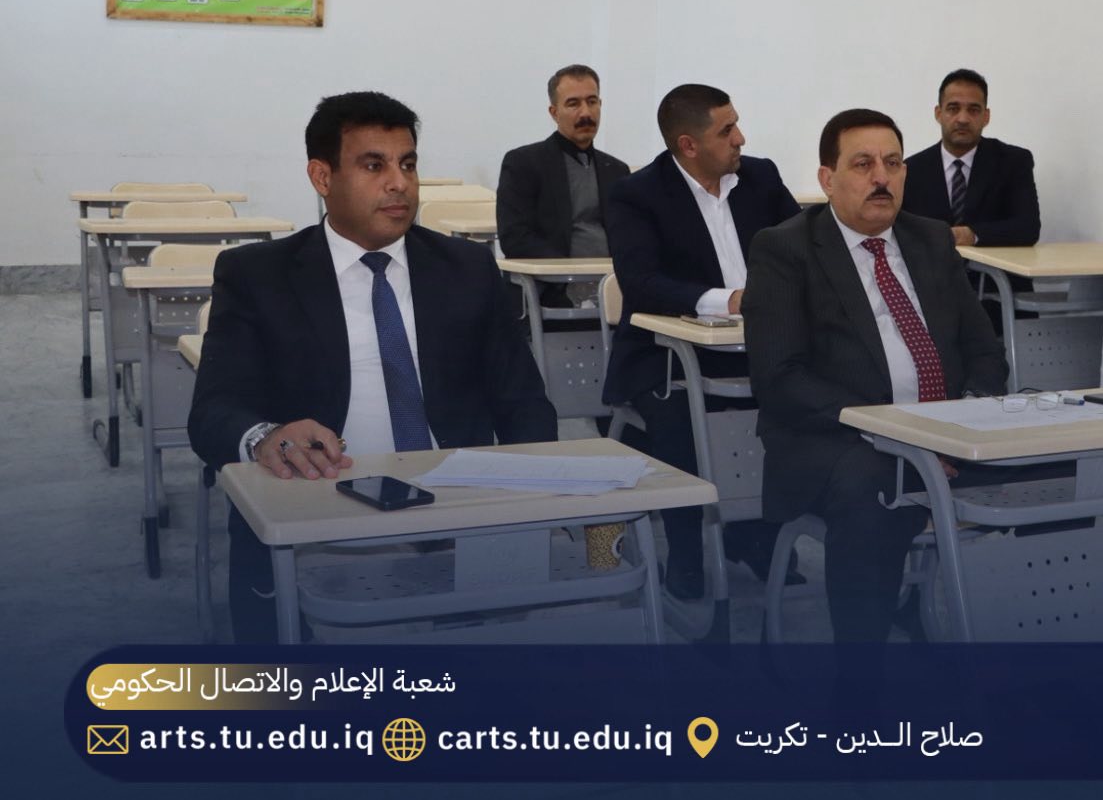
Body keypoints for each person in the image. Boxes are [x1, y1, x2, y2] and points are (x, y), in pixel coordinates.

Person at [188, 91, 557, 641]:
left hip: (458, 515)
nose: (399, 183)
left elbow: (523, 401)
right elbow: (213, 411)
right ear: (322, 177)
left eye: (408, 164)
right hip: (315, 517)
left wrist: (533, 505)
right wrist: (267, 437)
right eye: (373, 165)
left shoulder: (466, 268)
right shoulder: (258, 275)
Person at [743, 108, 1009, 642]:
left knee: (1061, 466)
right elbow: (780, 378)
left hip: (947, 432)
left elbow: (985, 351)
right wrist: (895, 433)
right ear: (828, 178)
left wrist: (962, 421)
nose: (881, 178)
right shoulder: (784, 249)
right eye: (863, 164)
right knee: (877, 486)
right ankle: (860, 669)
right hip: (837, 438)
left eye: (893, 163)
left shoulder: (931, 239)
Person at [601, 83, 801, 599]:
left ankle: (760, 537)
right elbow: (642, 284)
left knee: (804, 404)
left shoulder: (760, 176)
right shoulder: (636, 195)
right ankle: (687, 552)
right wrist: (729, 300)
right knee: (682, 418)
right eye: (727, 130)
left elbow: (804, 248)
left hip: (759, 351)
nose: (741, 138)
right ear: (688, 145)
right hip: (666, 356)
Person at [496, 63, 630, 309]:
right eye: (573, 104)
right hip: (553, 289)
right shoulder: (524, 163)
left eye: (592, 102)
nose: (585, 113)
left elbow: (628, 236)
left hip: (615, 287)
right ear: (554, 112)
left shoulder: (617, 170)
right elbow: (515, 238)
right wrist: (570, 269)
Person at [902, 68, 1040, 247]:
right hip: (929, 265)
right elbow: (901, 229)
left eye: (973, 110)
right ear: (938, 114)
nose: (963, 119)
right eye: (953, 108)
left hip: (989, 265)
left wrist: (972, 234)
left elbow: (1028, 227)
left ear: (986, 117)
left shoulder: (1013, 162)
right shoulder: (912, 169)